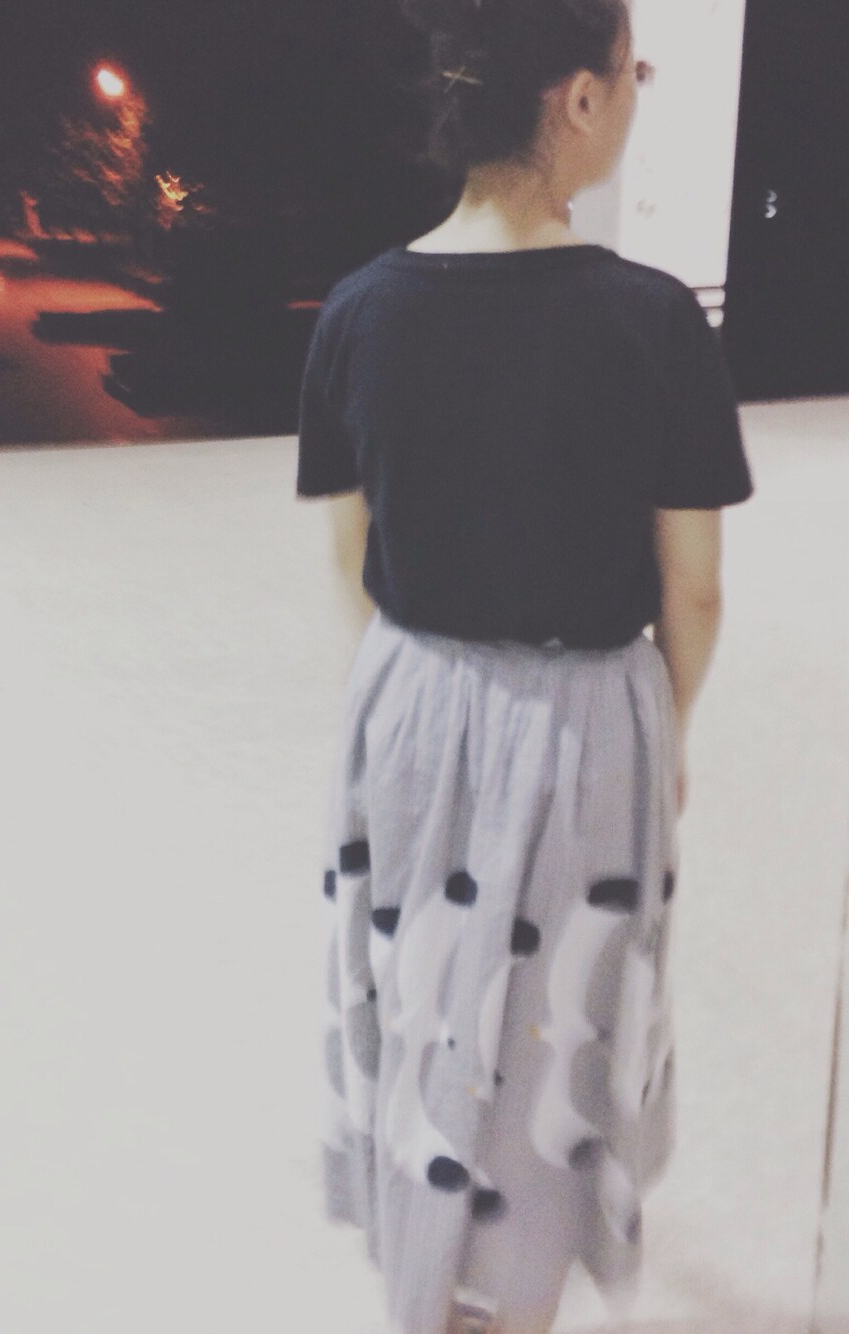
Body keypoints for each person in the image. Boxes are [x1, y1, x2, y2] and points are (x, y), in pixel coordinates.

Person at [295, 2, 754, 1331]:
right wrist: (666, 733)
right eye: (633, 68)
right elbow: (694, 587)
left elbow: (349, 556)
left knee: (425, 1006)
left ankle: (426, 1272)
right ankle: (511, 1296)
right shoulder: (656, 320)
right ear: (580, 99)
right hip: (588, 720)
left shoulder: (358, 311)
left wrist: (396, 711)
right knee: (551, 1035)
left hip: (406, 699)